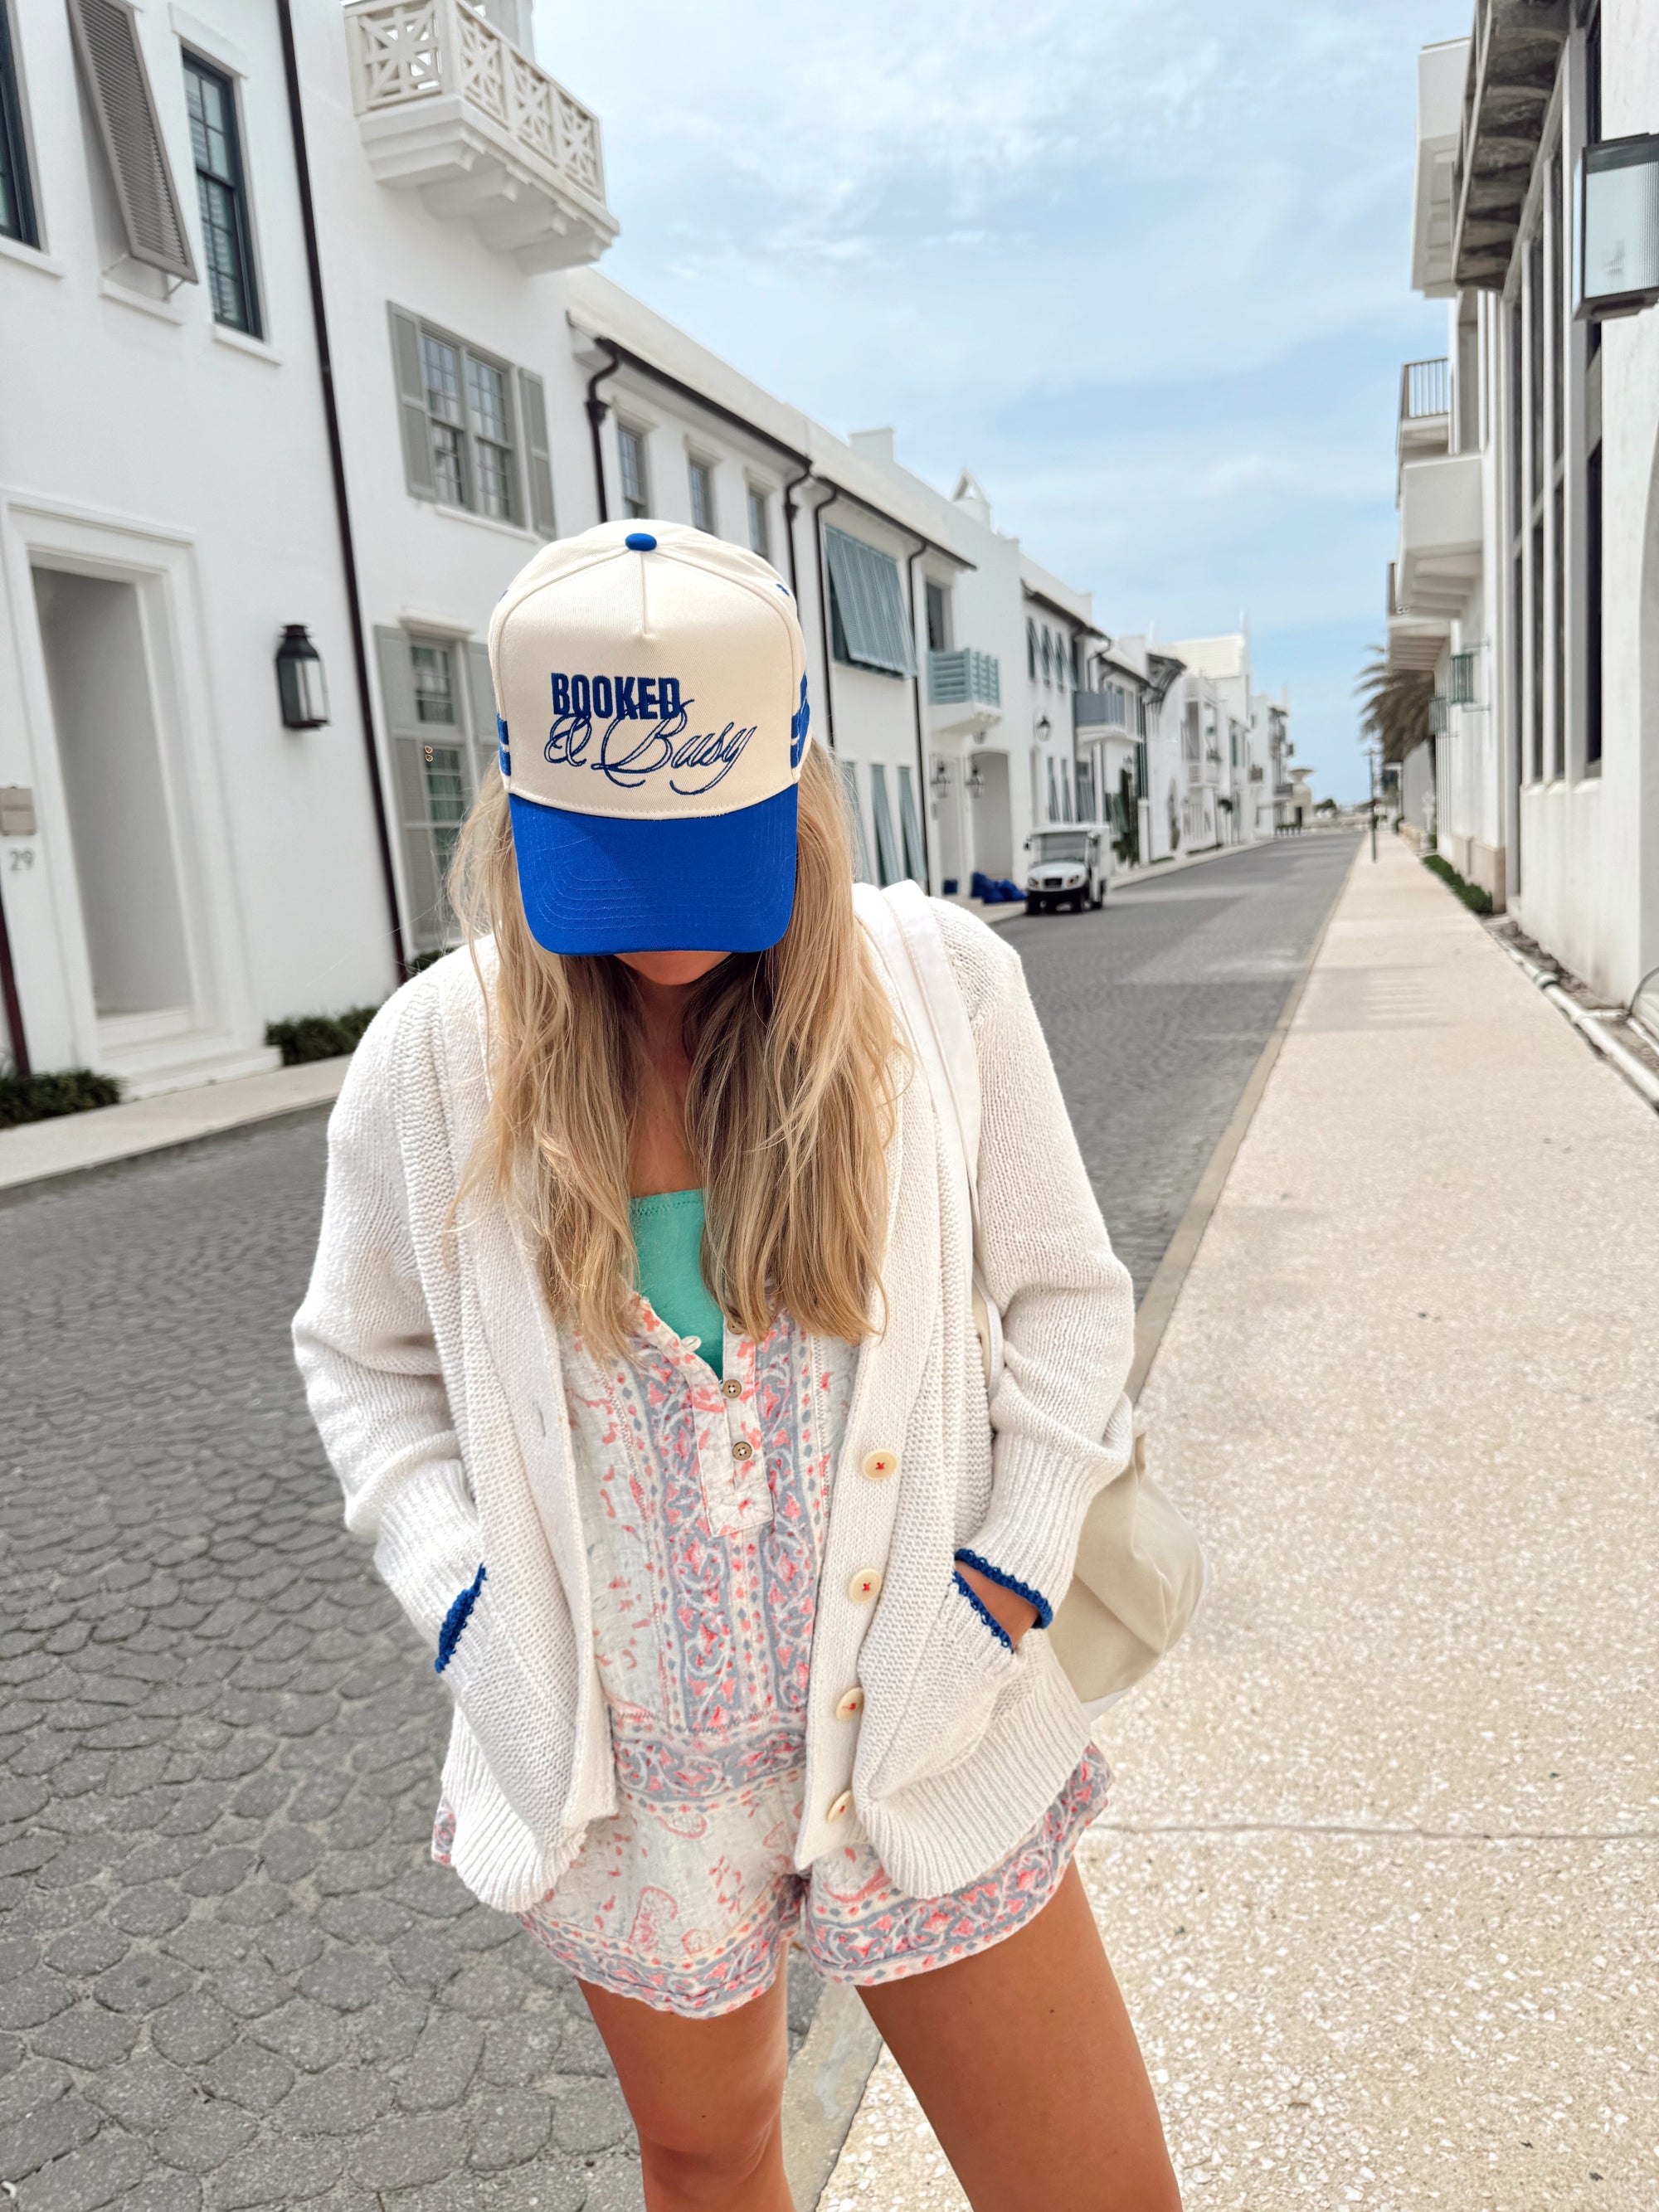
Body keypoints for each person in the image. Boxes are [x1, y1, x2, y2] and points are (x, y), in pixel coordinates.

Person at [294, 521, 1180, 2211]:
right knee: (710, 2163)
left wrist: (1003, 1576)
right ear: (514, 798)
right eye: (608, 862)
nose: (662, 936)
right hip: (633, 1787)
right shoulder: (441, 1053)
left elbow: (1068, 1297)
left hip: (926, 1714)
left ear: (796, 776)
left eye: (708, 850)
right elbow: (361, 1355)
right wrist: (467, 1599)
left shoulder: (934, 991)